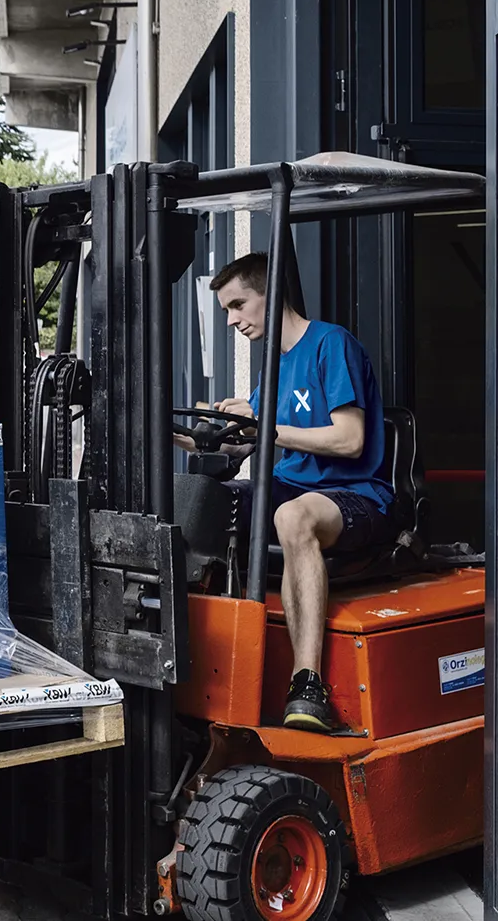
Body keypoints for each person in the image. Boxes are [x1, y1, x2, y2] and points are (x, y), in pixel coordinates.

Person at [178, 253, 396, 732]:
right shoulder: (273, 366)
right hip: (294, 488)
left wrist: (264, 426)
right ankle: (204, 665)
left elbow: (350, 439)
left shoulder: (330, 344)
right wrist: (177, 432)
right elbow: (243, 442)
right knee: (202, 501)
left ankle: (307, 684)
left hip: (356, 494)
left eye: (238, 305)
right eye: (226, 310)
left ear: (271, 294)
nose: (231, 320)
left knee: (291, 517)